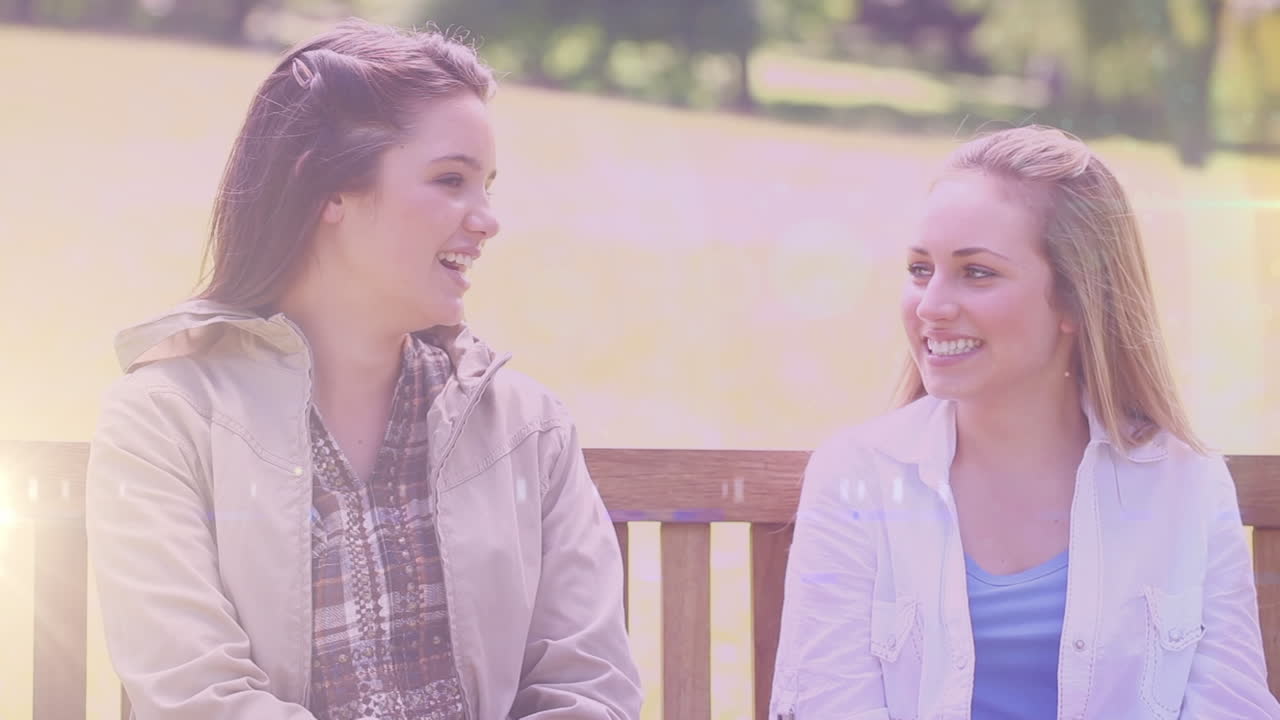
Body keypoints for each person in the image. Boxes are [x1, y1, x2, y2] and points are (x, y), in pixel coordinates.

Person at [86, 18, 641, 720]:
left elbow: (589, 686)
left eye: (487, 187)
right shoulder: (166, 418)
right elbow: (198, 696)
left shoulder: (529, 428)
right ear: (328, 191)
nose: (488, 220)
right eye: (450, 180)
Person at [770, 125, 1279, 719]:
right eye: (919, 269)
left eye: (977, 272)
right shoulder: (858, 477)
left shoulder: (1187, 484)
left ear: (1073, 298)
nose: (932, 305)